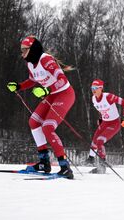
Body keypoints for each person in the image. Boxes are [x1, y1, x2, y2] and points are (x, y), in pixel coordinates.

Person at [6, 36, 75, 179]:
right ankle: (44, 162)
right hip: (51, 95)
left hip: (64, 94)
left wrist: (46, 90)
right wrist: (19, 86)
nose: (22, 54)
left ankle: (65, 166)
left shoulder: (46, 59)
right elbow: (32, 81)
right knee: (34, 122)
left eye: (25, 50)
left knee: (48, 127)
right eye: (21, 51)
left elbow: (62, 80)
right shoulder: (30, 64)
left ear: (33, 50)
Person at [86, 79, 124, 173]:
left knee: (100, 141)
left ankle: (102, 163)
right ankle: (91, 158)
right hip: (105, 122)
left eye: (96, 88)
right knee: (94, 140)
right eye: (92, 88)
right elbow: (102, 109)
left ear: (101, 88)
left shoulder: (108, 96)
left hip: (114, 123)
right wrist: (101, 118)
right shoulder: (93, 99)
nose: (93, 90)